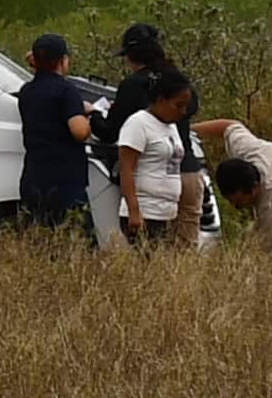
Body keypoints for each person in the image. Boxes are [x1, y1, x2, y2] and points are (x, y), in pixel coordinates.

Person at [106, 26, 201, 247]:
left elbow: (110, 131)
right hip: (189, 170)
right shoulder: (179, 80)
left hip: (155, 181)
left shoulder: (133, 88)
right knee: (185, 248)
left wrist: (94, 116)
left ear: (131, 57)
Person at [12, 33, 107, 237]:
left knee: (39, 237)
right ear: (63, 61)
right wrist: (88, 114)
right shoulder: (66, 91)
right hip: (65, 179)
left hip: (34, 175)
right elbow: (80, 132)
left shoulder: (27, 91)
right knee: (75, 238)